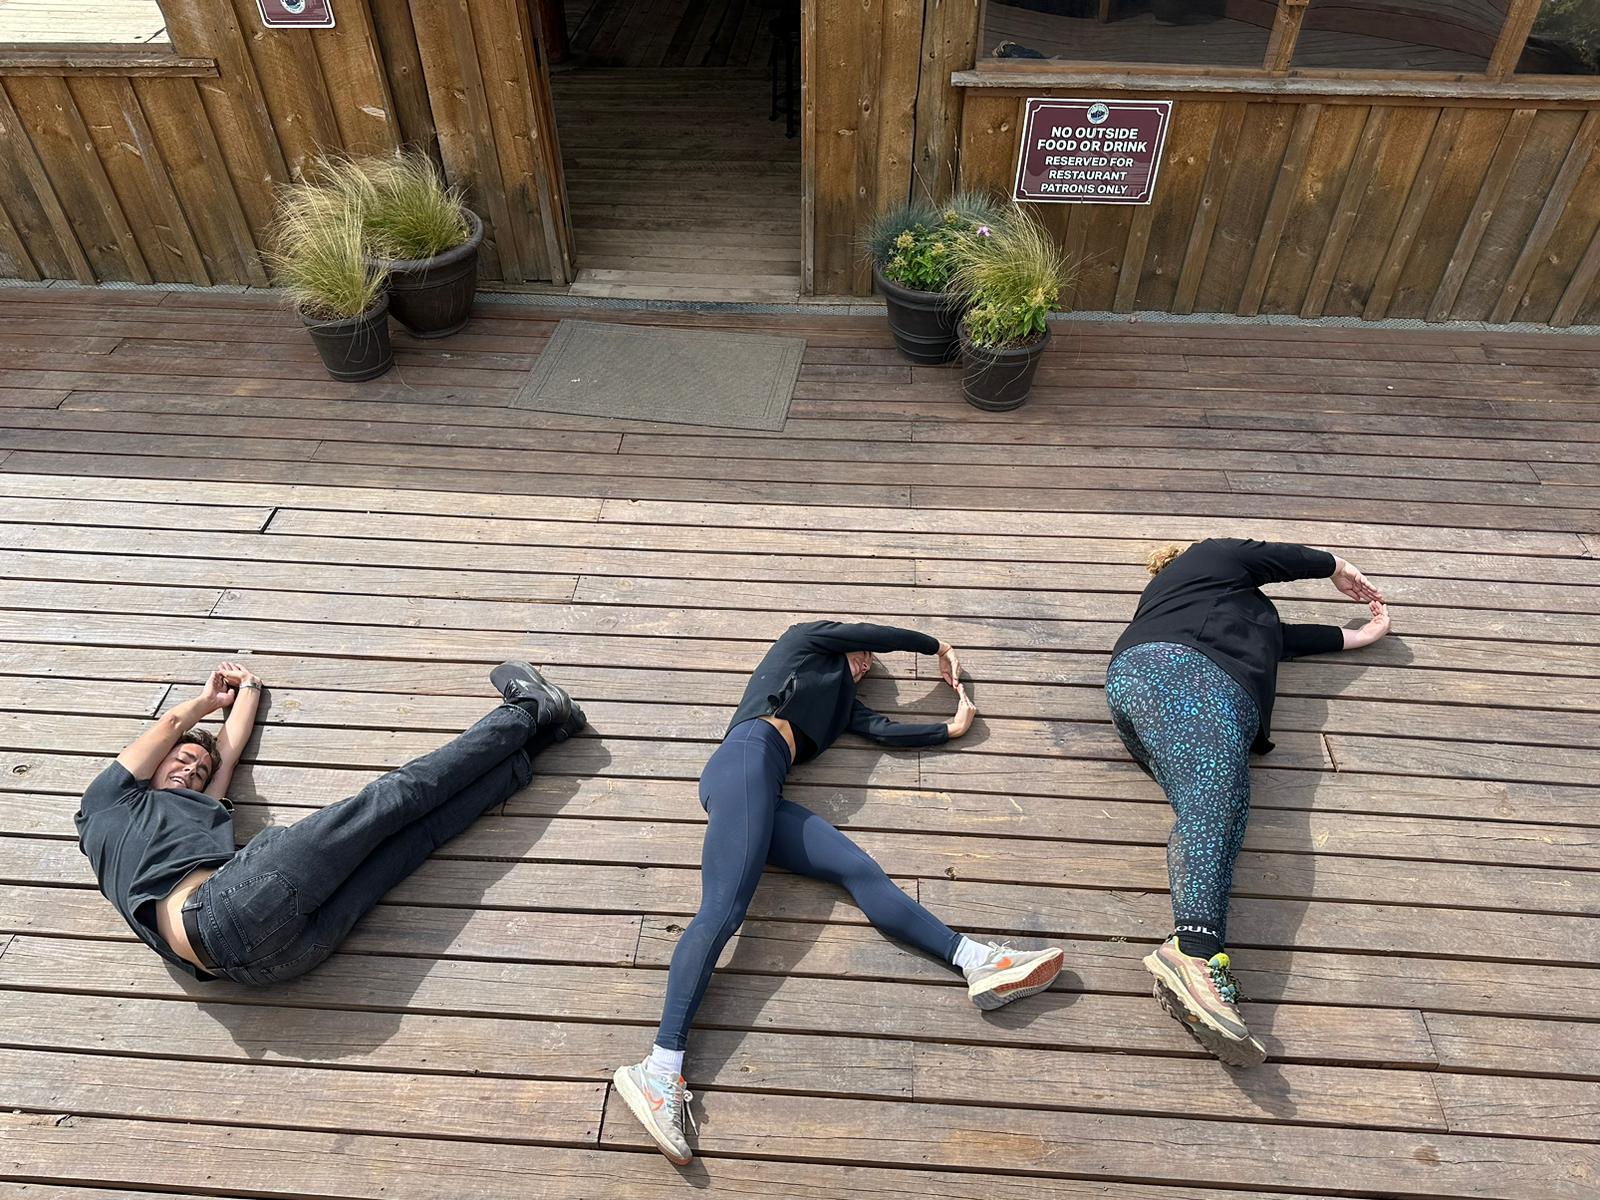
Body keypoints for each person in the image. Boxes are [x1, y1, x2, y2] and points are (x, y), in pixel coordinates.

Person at [613, 620, 1066, 1164]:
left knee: (858, 870)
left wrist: (949, 729)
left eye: (871, 665)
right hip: (744, 760)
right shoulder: (803, 643)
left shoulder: (840, 705)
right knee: (724, 911)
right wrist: (938, 647)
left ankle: (977, 962)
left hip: (765, 790)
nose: (868, 663)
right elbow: (870, 630)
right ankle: (658, 1069)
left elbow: (880, 729)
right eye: (865, 655)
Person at [74, 659, 585, 986]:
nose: (190, 768)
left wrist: (248, 688)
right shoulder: (109, 800)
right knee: (392, 800)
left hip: (265, 964)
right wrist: (206, 701)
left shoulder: (182, 814)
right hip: (228, 908)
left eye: (197, 768)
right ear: (152, 766)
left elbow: (224, 759)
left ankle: (536, 743)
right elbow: (169, 726)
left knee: (413, 839)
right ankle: (525, 712)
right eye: (180, 761)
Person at [1106, 539, 1391, 1067]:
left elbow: (1275, 642)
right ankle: (1192, 951)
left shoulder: (1225, 610)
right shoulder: (1207, 560)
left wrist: (1357, 637)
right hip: (1178, 670)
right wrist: (1338, 567)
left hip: (1196, 687)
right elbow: (1271, 557)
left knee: (1224, 808)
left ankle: (1197, 956)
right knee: (1213, 795)